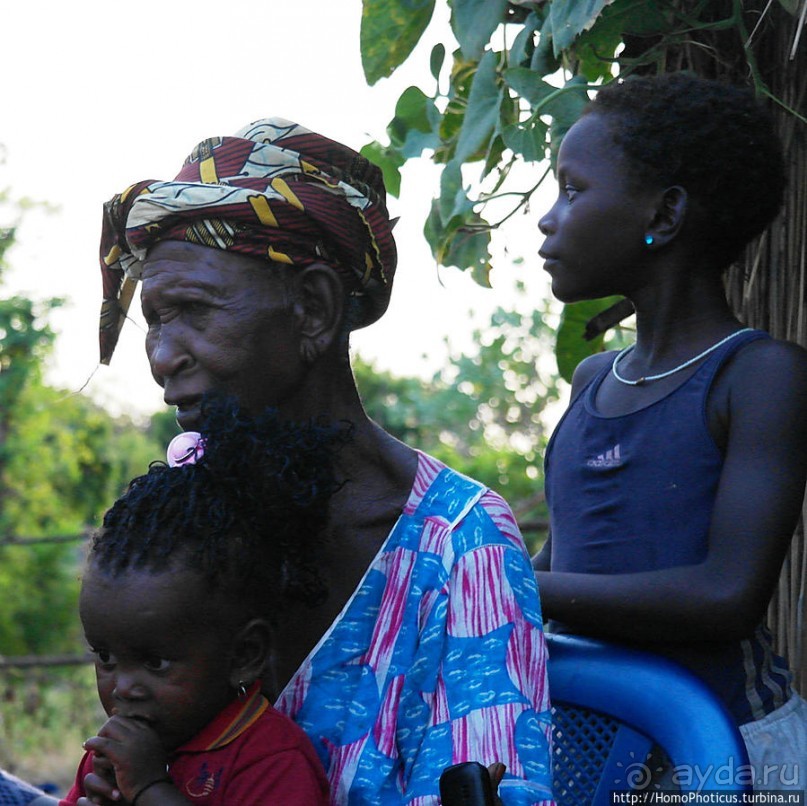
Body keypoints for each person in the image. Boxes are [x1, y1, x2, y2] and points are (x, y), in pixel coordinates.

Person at [97, 119, 554, 804]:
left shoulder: (457, 545)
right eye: (157, 320)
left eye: (193, 310)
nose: (163, 356)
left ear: (312, 308)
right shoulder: (190, 507)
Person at [533, 72, 807, 791]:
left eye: (572, 190)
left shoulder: (757, 375)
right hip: (593, 749)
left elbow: (725, 598)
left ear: (665, 212)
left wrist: (515, 585)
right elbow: (564, 566)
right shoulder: (593, 379)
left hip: (729, 755)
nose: (548, 220)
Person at [60, 400, 335, 805]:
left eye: (155, 663)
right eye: (105, 657)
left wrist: (150, 789)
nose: (123, 688)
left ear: (245, 655)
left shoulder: (271, 760)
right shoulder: (113, 756)